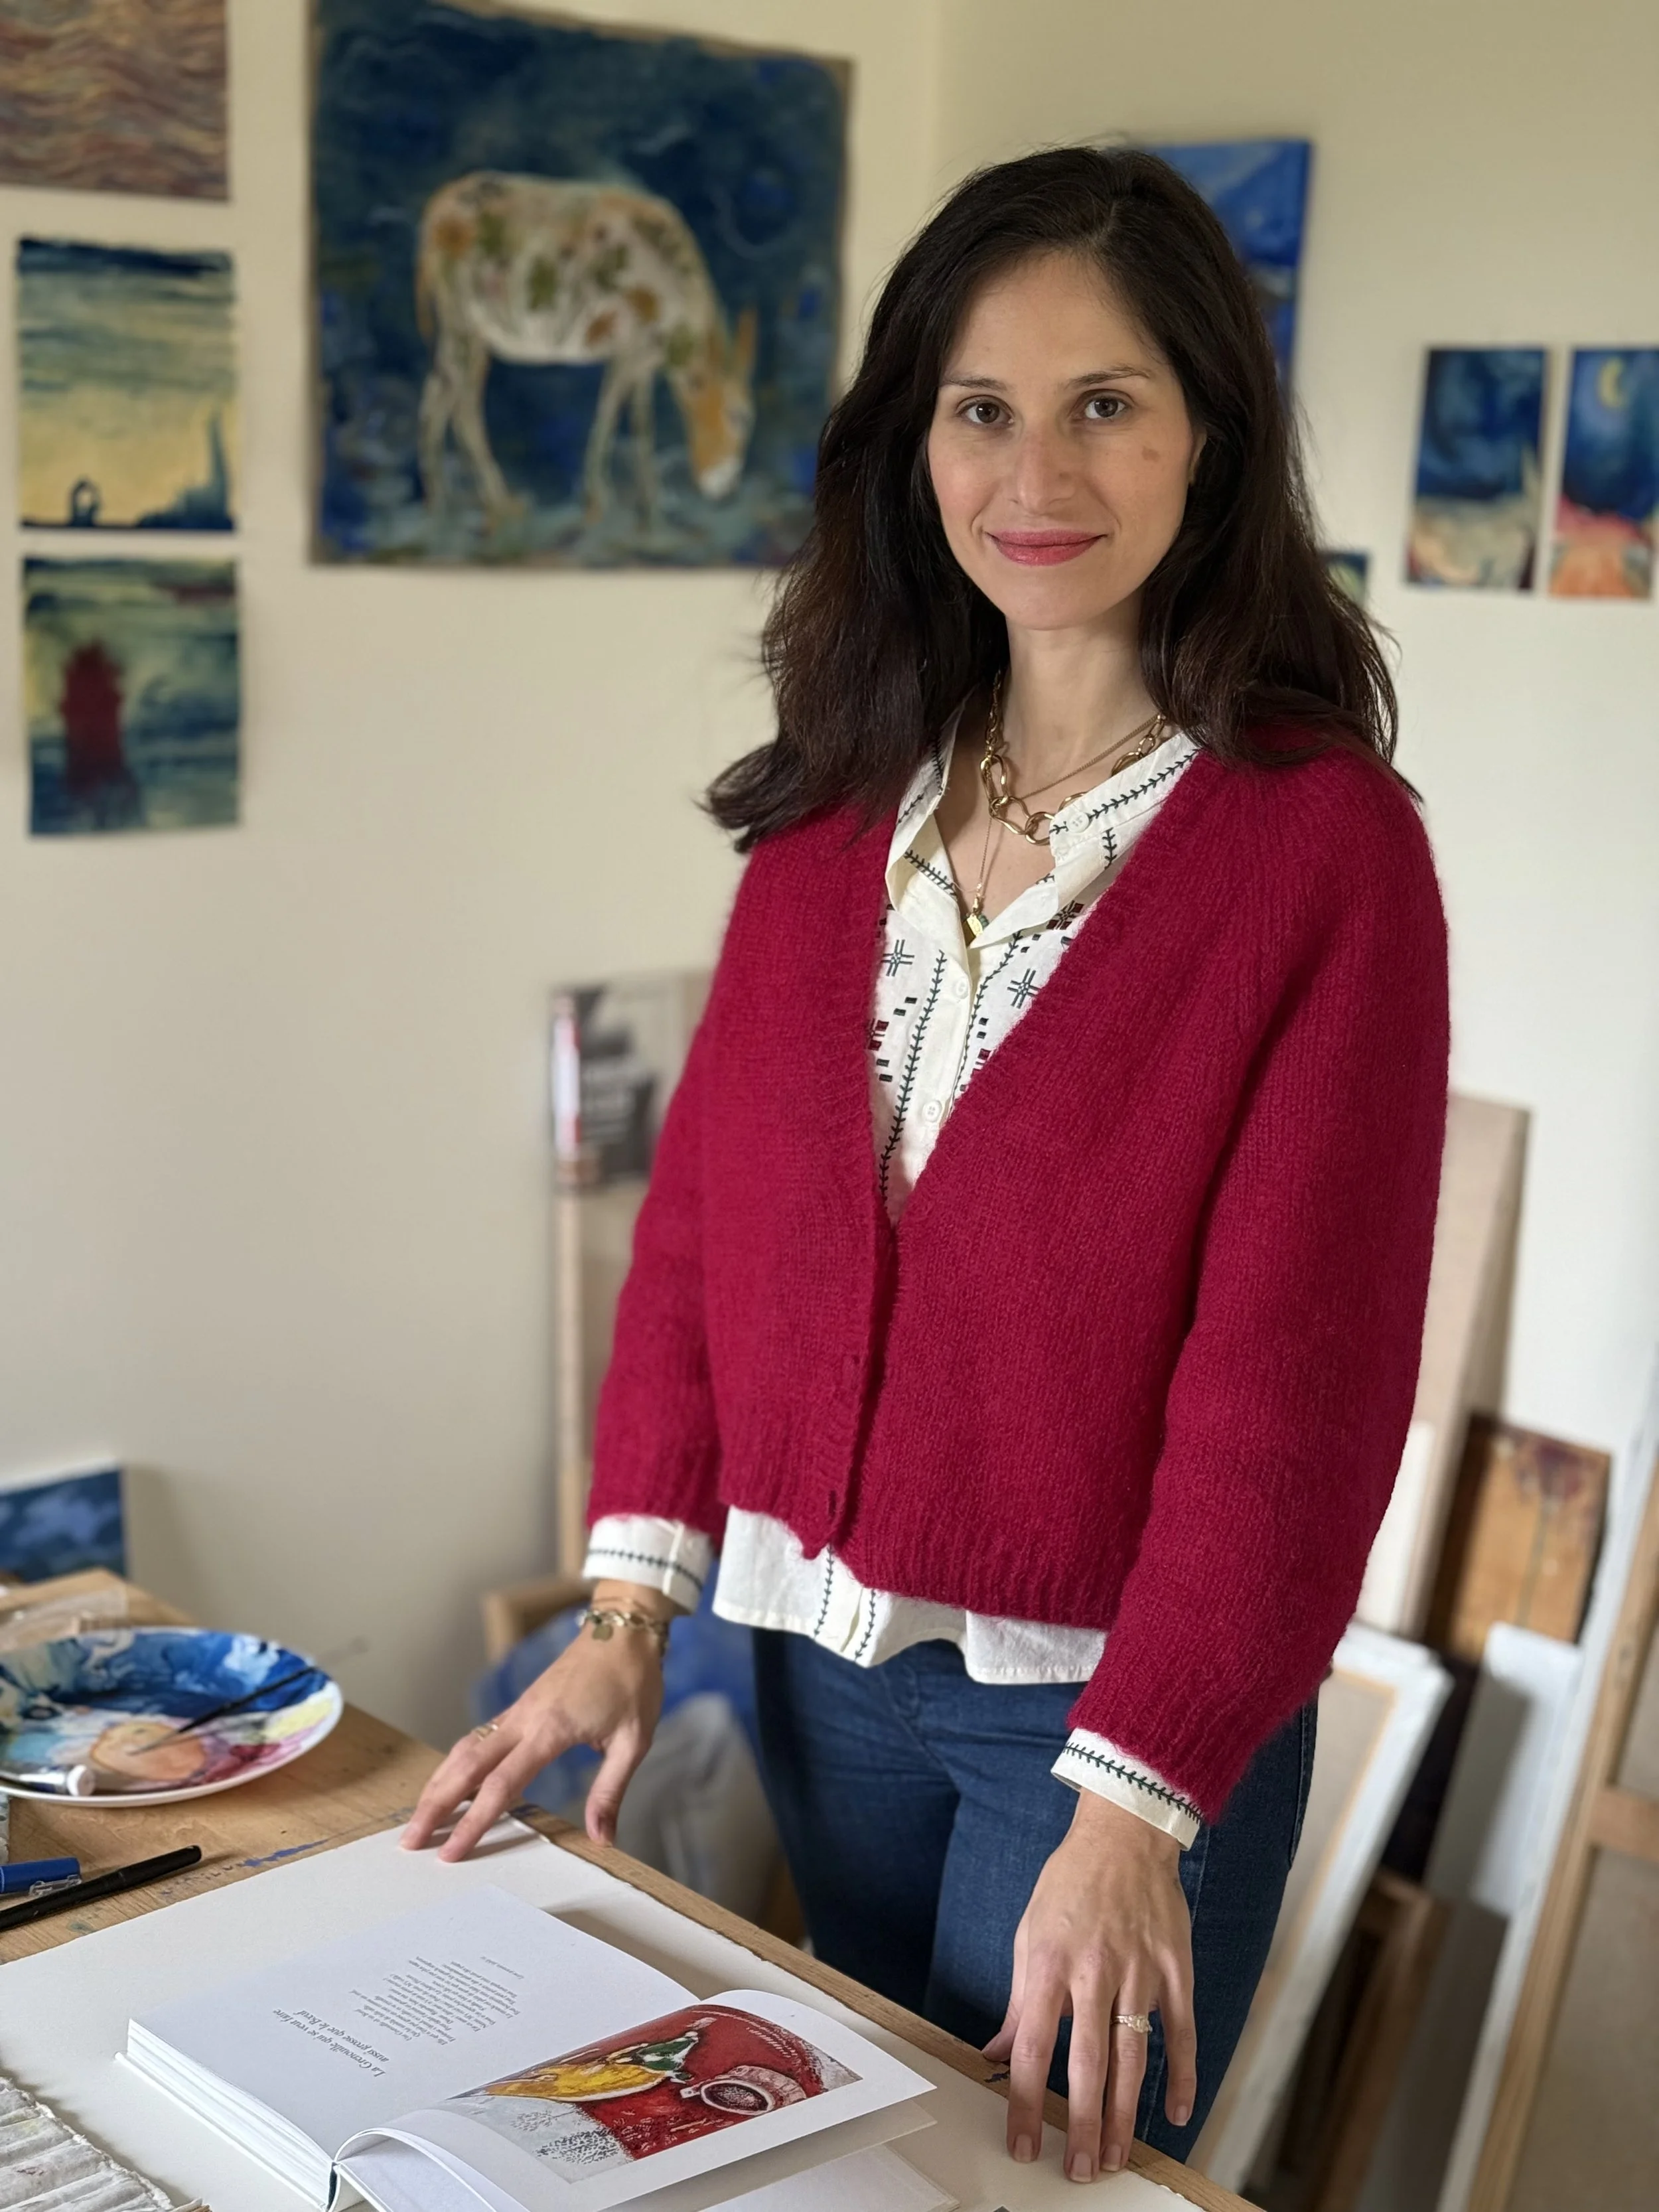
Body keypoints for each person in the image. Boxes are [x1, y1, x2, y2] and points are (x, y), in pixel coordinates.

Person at [405, 146, 1449, 2185]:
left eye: (1104, 403)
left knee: (1027, 2190)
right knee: (845, 2180)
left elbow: (1293, 1402)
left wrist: (1136, 1805)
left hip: (1101, 1725)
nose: (1033, 470)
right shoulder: (838, 795)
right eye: (982, 407)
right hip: (821, 1685)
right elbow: (706, 1239)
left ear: (1207, 436)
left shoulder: (1319, 856)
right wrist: (629, 1607)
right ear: (913, 438)